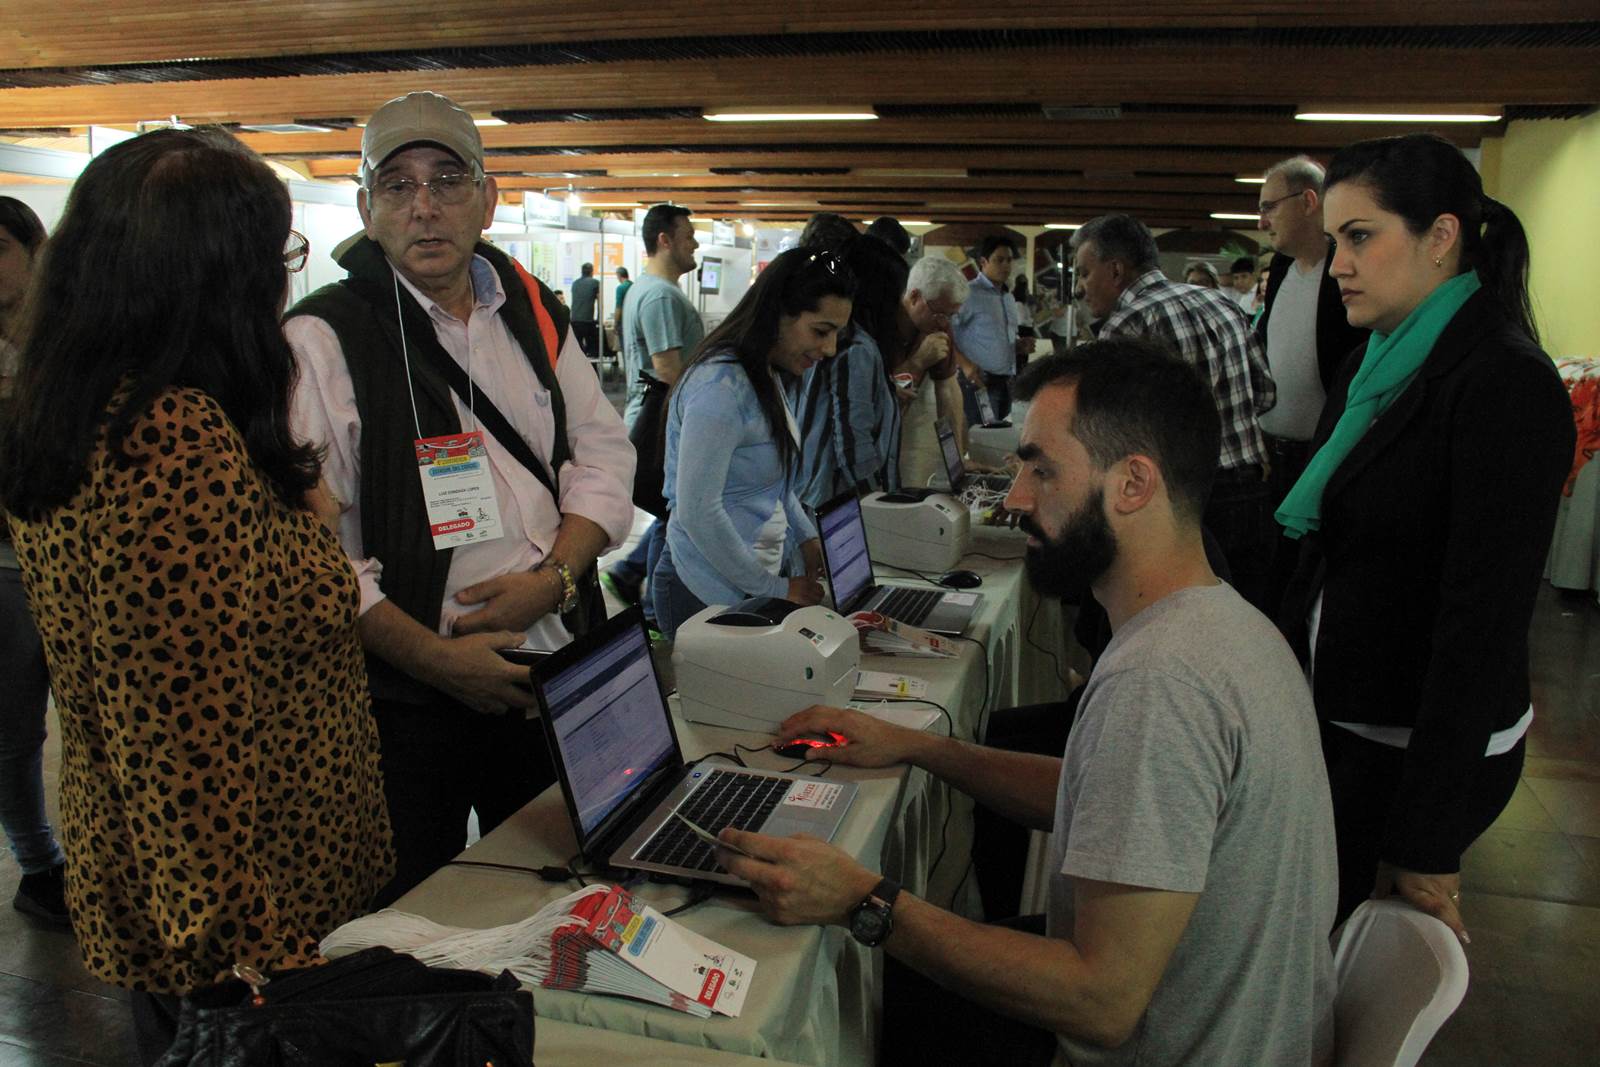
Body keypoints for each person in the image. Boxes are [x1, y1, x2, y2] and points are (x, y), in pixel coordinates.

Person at [719, 342, 1336, 1067]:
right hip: (1231, 1026)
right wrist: (920, 746)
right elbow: (1107, 801)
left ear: (1133, 484)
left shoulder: (1160, 679)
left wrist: (861, 896)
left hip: (1157, 1040)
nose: (1014, 498)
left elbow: (1100, 1001)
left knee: (868, 980)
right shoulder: (1224, 623)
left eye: (1040, 469)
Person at [0, 128, 394, 1062]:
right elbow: (182, 741)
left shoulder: (92, 407)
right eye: (275, 258)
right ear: (215, 279)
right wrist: (245, 965)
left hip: (175, 893)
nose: (281, 282)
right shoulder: (168, 442)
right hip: (250, 920)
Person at [285, 91, 634, 905]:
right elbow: (313, 551)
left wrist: (557, 577)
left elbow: (602, 452)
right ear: (367, 208)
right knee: (414, 911)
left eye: (447, 178)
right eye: (397, 185)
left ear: (489, 198)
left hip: (549, 661)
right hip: (407, 703)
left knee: (559, 888)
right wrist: (435, 659)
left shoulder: (532, 309)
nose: (425, 205)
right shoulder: (323, 339)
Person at [1276, 133, 1575, 937]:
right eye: (1335, 239)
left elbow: (1481, 625)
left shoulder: (1505, 384)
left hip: (1415, 747)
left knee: (1334, 948)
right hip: (1342, 712)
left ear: (1441, 237)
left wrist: (1428, 840)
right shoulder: (1376, 361)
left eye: (1360, 237)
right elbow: (1330, 548)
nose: (1337, 263)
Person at [1071, 214, 1277, 610]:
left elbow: (1104, 438)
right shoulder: (1221, 303)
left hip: (1185, 510)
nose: (1081, 288)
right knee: (1242, 628)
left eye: (1084, 273)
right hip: (1250, 498)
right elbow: (1265, 395)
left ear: (1115, 270)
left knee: (1180, 635)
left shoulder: (1126, 326)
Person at [651, 247, 856, 637]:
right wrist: (775, 589)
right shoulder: (719, 388)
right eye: (820, 331)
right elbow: (699, 511)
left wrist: (806, 535)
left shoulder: (767, 374)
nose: (829, 349)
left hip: (746, 578)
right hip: (701, 587)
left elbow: (774, 487)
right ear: (778, 313)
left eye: (836, 335)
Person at [0, 196, 69, 926]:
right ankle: (39, 862)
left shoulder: (67, 342)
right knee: (15, 728)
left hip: (72, 554)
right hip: (8, 565)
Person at [603, 203, 704, 612]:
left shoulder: (648, 290)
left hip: (657, 420)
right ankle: (653, 611)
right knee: (678, 516)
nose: (694, 243)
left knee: (674, 515)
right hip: (664, 424)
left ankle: (630, 574)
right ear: (664, 240)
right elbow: (667, 370)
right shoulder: (660, 296)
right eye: (688, 235)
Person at [796, 235, 906, 507]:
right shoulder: (856, 348)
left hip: (824, 496)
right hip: (837, 501)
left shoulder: (847, 340)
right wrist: (880, 502)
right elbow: (852, 443)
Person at [886, 255, 970, 490]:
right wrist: (919, 362)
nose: (945, 323)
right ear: (914, 297)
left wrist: (956, 461)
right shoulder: (882, 326)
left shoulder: (938, 324)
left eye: (952, 316)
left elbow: (949, 391)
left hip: (902, 424)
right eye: (941, 313)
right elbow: (881, 397)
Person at [950, 234, 1031, 428]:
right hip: (978, 381)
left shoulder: (1008, 298)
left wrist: (1018, 346)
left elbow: (999, 337)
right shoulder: (968, 293)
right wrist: (965, 364)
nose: (1006, 266)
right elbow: (944, 332)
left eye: (1009, 260)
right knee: (980, 438)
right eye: (999, 260)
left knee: (998, 438)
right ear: (983, 262)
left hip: (1007, 381)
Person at [569, 261, 600, 359]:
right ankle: (593, 371)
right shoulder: (595, 283)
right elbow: (600, 302)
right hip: (587, 320)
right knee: (593, 350)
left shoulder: (575, 283)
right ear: (591, 272)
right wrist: (599, 318)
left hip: (574, 320)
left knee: (577, 348)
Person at [612, 264, 632, 338]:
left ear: (619, 275)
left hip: (623, 321)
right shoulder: (633, 285)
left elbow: (618, 307)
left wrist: (615, 323)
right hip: (632, 319)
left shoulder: (620, 288)